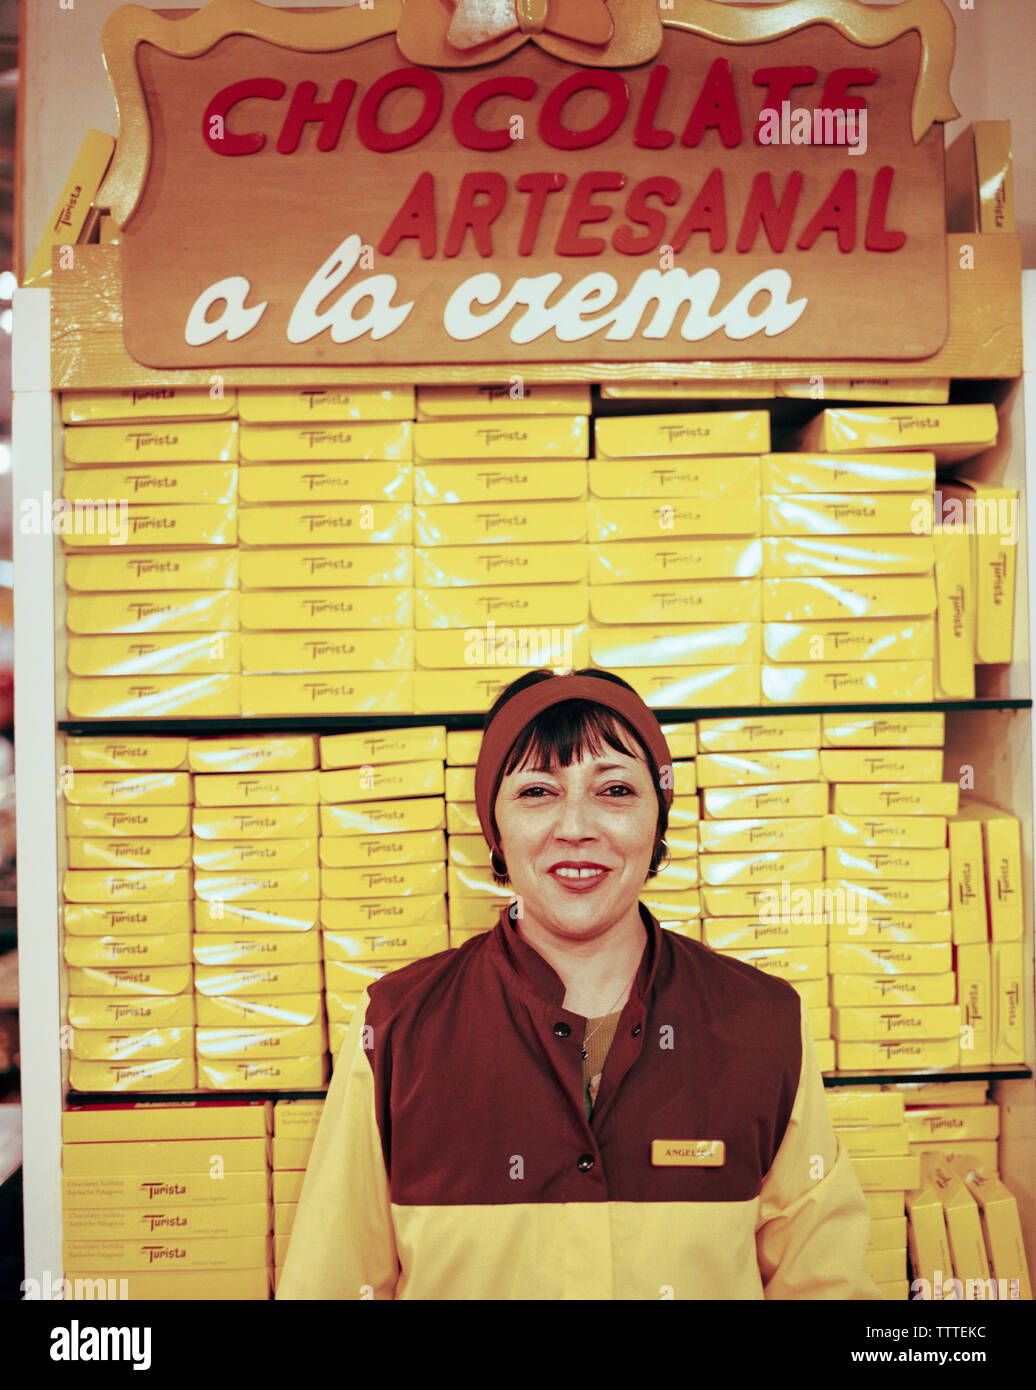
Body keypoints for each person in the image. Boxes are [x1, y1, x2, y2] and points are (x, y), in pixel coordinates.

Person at [277, 668, 882, 1300]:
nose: (576, 827)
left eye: (615, 790)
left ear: (658, 819)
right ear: (496, 831)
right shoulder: (399, 1026)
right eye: (537, 792)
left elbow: (824, 1285)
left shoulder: (762, 1022)